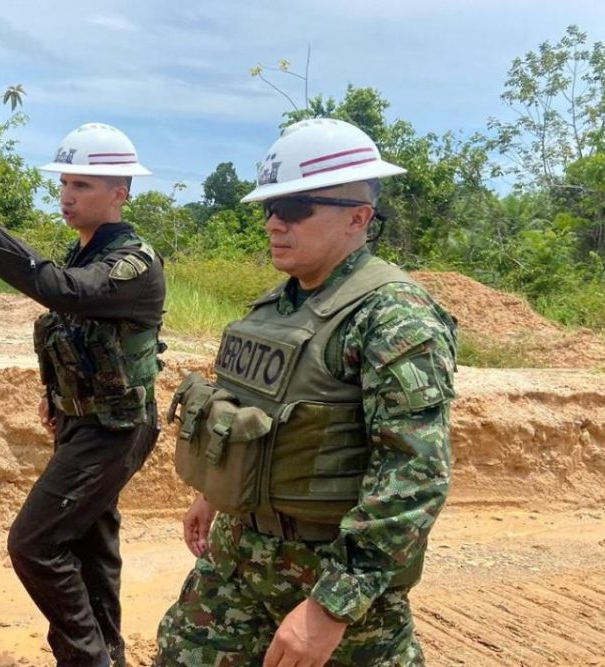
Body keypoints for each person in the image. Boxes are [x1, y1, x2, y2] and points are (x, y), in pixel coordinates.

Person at [155, 118, 458, 666]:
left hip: (330, 574)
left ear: (358, 218)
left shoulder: (394, 317)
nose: (274, 222)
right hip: (238, 560)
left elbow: (415, 477)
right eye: (269, 207)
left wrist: (331, 609)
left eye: (295, 207)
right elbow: (246, 410)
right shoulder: (277, 304)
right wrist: (215, 493)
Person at [0, 122, 165, 667]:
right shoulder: (83, 253)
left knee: (35, 544)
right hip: (82, 423)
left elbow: (59, 291)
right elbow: (73, 330)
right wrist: (58, 395)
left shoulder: (133, 263)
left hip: (115, 429)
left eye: (83, 185)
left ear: (121, 192)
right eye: (65, 182)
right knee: (91, 543)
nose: (67, 195)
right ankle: (106, 650)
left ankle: (85, 657)